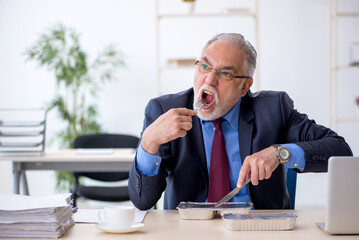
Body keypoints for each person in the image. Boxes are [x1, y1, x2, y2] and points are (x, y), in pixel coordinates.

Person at [128, 33, 352, 210]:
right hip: (190, 231)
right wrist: (148, 142)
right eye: (204, 66)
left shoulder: (273, 109)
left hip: (259, 230)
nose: (210, 80)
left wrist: (280, 152)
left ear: (244, 86)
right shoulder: (164, 111)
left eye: (225, 74)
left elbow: (340, 150)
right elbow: (142, 201)